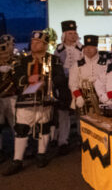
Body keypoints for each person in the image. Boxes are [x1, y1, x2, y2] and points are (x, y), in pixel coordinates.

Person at [4, 30, 66, 175]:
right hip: (26, 100)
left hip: (45, 100)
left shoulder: (54, 60)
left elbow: (61, 78)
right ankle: (17, 160)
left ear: (45, 45)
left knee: (44, 127)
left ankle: (41, 154)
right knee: (21, 129)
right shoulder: (23, 60)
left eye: (38, 42)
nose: (34, 44)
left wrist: (47, 82)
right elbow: (16, 78)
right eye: (33, 42)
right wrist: (27, 80)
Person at [54, 20, 82, 154]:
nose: (73, 36)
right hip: (64, 84)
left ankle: (82, 138)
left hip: (79, 83)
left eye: (74, 33)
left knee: (80, 111)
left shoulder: (81, 48)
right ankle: (63, 141)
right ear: (64, 34)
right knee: (63, 113)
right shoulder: (59, 50)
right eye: (70, 33)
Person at [68, 34, 107, 114]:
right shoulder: (77, 65)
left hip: (102, 98)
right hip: (83, 99)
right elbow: (72, 84)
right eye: (86, 47)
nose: (88, 49)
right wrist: (78, 96)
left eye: (91, 47)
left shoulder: (106, 64)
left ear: (96, 49)